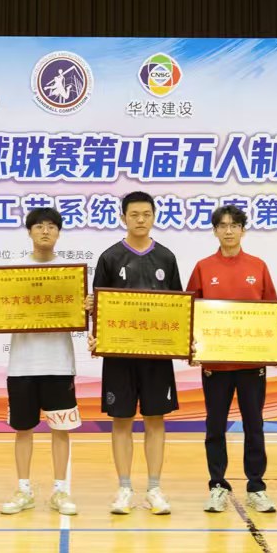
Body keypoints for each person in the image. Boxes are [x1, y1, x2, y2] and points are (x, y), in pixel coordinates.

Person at [88, 191, 183, 515]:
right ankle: (124, 488)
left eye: (146, 214)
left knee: (155, 419)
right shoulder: (110, 257)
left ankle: (154, 488)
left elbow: (178, 309)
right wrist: (98, 339)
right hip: (120, 356)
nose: (140, 220)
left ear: (154, 217)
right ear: (123, 218)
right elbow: (98, 309)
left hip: (157, 357)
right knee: (121, 420)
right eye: (134, 215)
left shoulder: (167, 258)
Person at [0, 208, 81, 517]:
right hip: (22, 365)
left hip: (59, 363)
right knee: (22, 429)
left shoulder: (71, 274)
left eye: (51, 226)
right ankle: (23, 489)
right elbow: (0, 310)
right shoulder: (13, 272)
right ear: (29, 232)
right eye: (39, 226)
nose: (45, 231)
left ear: (59, 233)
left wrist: (88, 306)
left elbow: (80, 311)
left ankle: (60, 490)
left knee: (61, 430)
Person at [186, 204, 277, 515]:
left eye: (234, 225)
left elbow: (272, 312)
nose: (228, 231)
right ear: (215, 231)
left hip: (252, 365)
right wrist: (192, 348)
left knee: (254, 426)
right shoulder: (203, 267)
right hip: (215, 365)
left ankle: (256, 487)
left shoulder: (258, 266)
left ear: (243, 230)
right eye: (222, 226)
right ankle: (217, 485)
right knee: (215, 426)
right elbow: (190, 313)